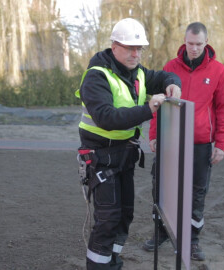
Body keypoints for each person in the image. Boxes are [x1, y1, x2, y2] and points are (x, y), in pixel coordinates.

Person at [76, 18, 182, 270]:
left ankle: (113, 262)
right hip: (101, 156)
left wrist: (172, 84)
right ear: (114, 46)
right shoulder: (96, 76)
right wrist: (148, 109)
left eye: (140, 48)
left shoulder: (138, 73)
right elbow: (106, 118)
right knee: (108, 219)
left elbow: (167, 75)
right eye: (130, 48)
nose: (136, 54)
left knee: (124, 216)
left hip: (125, 157)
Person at [141, 22, 224, 261]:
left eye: (198, 44)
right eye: (190, 43)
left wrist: (221, 144)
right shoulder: (171, 68)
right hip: (170, 141)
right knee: (161, 186)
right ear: (185, 41)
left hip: (201, 143)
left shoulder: (218, 71)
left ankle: (192, 239)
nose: (193, 49)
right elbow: (158, 102)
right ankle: (162, 231)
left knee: (197, 192)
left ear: (206, 43)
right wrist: (153, 135)